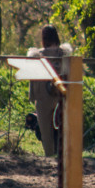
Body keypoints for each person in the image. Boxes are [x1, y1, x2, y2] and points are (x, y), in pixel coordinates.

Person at [28, 25, 73, 158]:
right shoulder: (65, 54)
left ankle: (49, 156)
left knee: (45, 132)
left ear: (43, 39)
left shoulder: (36, 56)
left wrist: (32, 95)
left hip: (43, 97)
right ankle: (64, 156)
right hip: (61, 96)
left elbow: (33, 79)